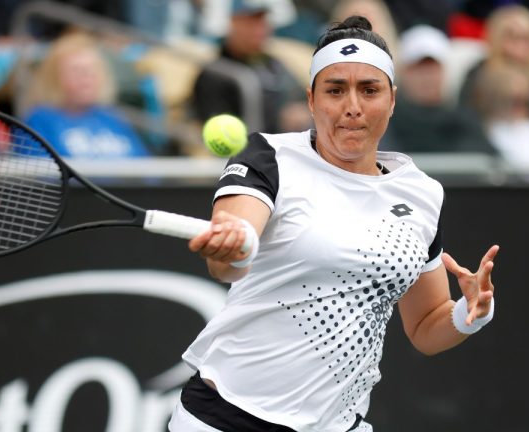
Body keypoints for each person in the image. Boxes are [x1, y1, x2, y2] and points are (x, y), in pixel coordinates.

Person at [170, 15, 499, 432]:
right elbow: (230, 259)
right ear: (311, 99)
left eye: (369, 89)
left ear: (392, 99)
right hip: (227, 419)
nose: (352, 107)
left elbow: (424, 325)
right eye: (335, 89)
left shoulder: (422, 193)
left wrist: (469, 314)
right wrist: (233, 247)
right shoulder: (268, 158)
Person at [22, 31, 150, 159]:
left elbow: (147, 170)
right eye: (77, 71)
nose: (86, 78)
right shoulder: (40, 121)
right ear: (55, 77)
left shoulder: (114, 119)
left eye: (91, 70)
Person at [191, 0, 310, 136]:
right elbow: (218, 130)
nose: (260, 29)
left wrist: (303, 111)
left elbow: (302, 98)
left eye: (262, 21)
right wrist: (279, 119)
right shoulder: (214, 75)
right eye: (250, 22)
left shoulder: (273, 64)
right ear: (231, 23)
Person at [380, 25, 493, 154]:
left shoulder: (464, 120)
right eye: (419, 68)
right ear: (402, 73)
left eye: (433, 68)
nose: (427, 77)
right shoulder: (385, 122)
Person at [458, 4, 529, 112]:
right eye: (514, 37)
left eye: (528, 38)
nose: (521, 46)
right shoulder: (480, 73)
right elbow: (466, 112)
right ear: (496, 38)